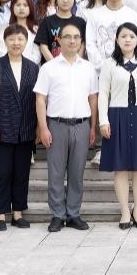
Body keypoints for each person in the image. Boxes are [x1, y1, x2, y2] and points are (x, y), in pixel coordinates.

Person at [34, 22, 99, 232]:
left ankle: (73, 214)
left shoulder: (88, 68)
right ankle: (57, 215)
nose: (72, 41)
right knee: (55, 173)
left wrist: (93, 127)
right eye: (68, 37)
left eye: (76, 37)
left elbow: (93, 99)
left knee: (77, 172)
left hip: (81, 125)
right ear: (59, 40)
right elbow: (40, 100)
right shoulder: (49, 68)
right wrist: (43, 128)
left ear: (81, 41)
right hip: (56, 125)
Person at [98, 23, 137, 229]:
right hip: (117, 116)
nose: (127, 39)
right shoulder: (109, 64)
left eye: (132, 36)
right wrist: (103, 120)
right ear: (117, 40)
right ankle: (124, 211)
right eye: (123, 36)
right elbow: (103, 93)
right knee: (120, 167)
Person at [0, 25, 40, 231]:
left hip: (26, 128)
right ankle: (0, 215)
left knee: (21, 173)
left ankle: (18, 213)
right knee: (2, 173)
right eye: (12, 39)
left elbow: (38, 100)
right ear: (5, 41)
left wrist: (38, 127)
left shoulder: (33, 68)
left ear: (26, 42)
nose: (16, 43)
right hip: (2, 128)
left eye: (20, 39)